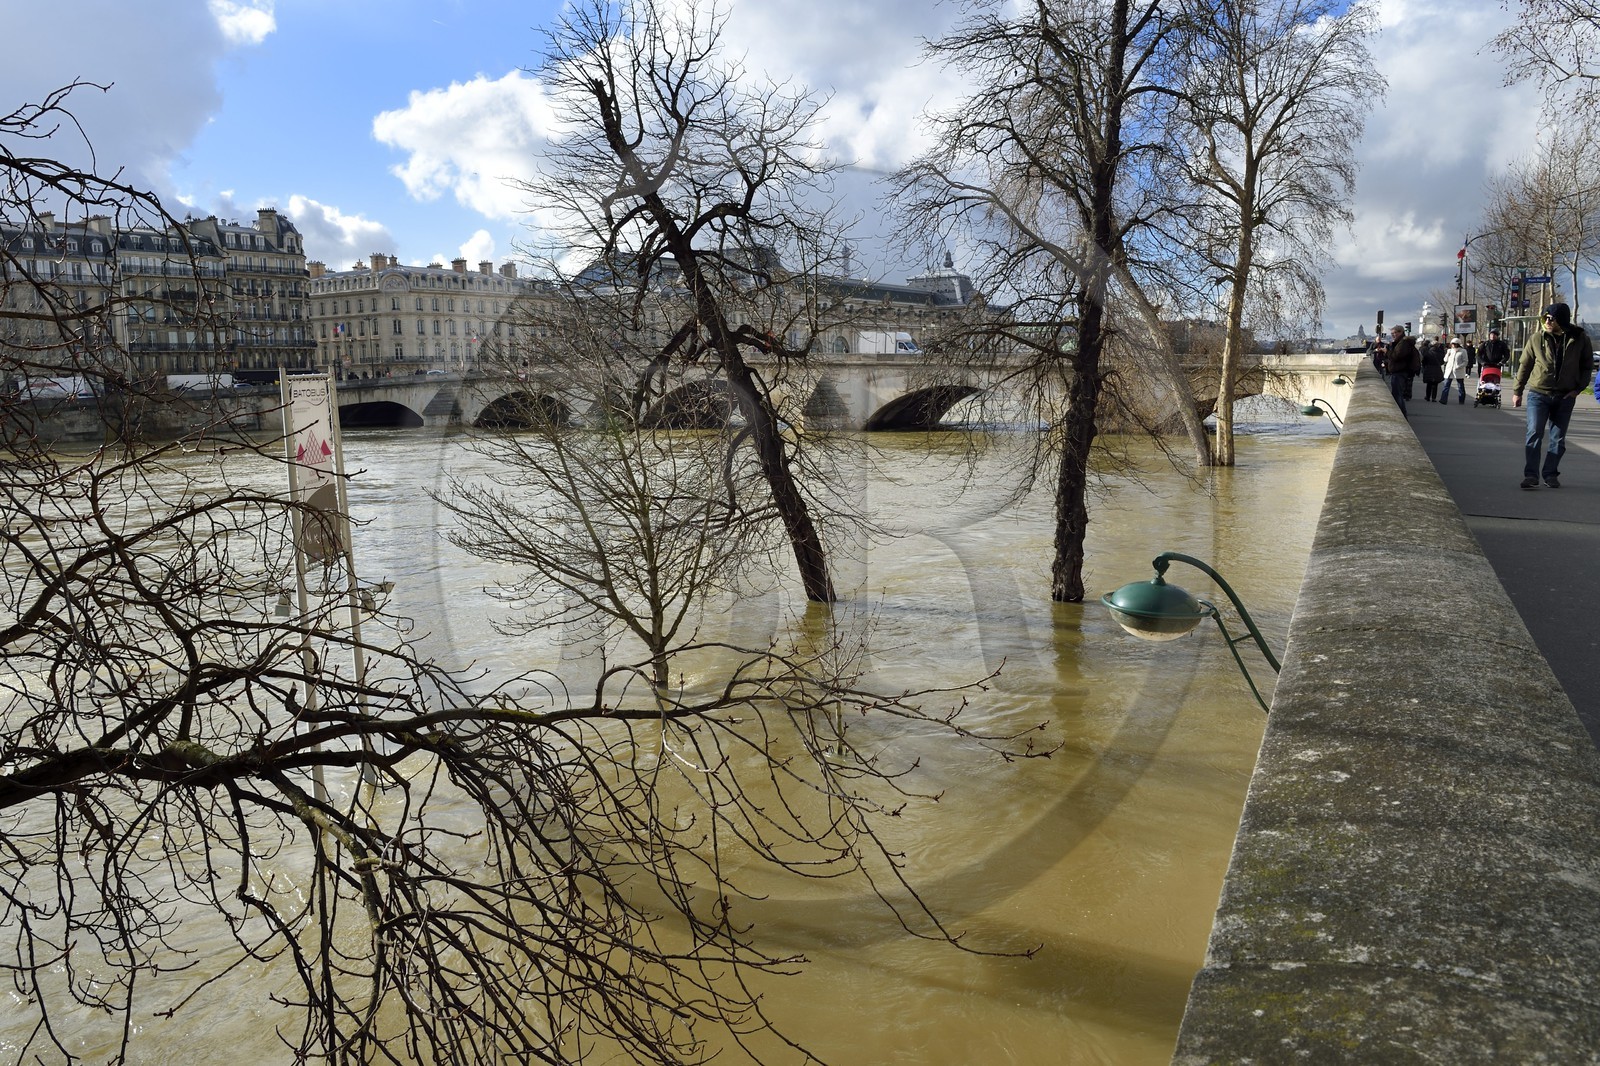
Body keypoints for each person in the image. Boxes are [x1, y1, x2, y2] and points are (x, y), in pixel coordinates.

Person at [1513, 302, 1595, 489]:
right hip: (1538, 394)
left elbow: (1587, 366)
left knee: (1558, 439)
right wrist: (1517, 391)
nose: (1547, 321)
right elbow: (1524, 365)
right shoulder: (1536, 338)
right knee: (1534, 433)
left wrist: (1577, 390)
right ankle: (1531, 475)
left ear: (1562, 320)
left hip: (1565, 396)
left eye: (1551, 318)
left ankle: (1550, 474)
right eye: (1545, 318)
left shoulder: (1580, 338)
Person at [1385, 325, 1420, 416]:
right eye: (1392, 333)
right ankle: (1401, 415)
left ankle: (1402, 415)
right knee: (1397, 394)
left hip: (1399, 372)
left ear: (1400, 332)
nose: (1393, 335)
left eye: (1394, 333)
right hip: (1400, 371)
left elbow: (1396, 356)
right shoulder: (1402, 342)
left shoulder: (1403, 343)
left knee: (1397, 395)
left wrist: (1386, 351)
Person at [1440, 338, 1469, 404]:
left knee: (1460, 386)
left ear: (1457, 344)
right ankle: (1443, 400)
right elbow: (1445, 360)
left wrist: (1458, 366)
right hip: (1449, 371)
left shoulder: (1463, 351)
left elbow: (1465, 362)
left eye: (1454, 344)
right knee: (1446, 385)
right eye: (1452, 344)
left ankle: (1461, 400)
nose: (1452, 345)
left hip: (1458, 371)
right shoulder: (1449, 351)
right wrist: (1447, 354)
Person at [1420, 337, 1445, 401]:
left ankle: (1427, 397)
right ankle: (1434, 398)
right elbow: (1443, 361)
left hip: (1429, 369)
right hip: (1437, 369)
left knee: (1429, 384)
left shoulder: (1428, 353)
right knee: (1435, 384)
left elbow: (1424, 361)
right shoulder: (1441, 353)